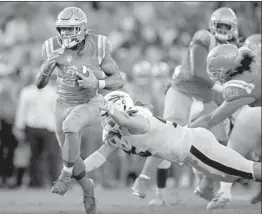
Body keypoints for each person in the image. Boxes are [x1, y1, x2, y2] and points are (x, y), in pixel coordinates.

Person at [132, 7, 239, 205]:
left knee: (221, 141)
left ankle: (206, 185)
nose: (223, 29)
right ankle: (145, 179)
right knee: (167, 137)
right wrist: (222, 89)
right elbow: (198, 72)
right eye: (220, 25)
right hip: (183, 91)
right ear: (213, 25)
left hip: (206, 97)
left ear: (233, 28)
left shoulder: (233, 49)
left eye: (227, 26)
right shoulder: (204, 37)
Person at [83, 91, 261, 197]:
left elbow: (132, 123)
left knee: (248, 170)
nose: (107, 120)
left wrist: (110, 108)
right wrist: (73, 171)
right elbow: (100, 155)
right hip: (190, 154)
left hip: (195, 147)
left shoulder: (138, 118)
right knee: (231, 176)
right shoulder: (120, 131)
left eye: (108, 113)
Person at [36, 7, 123, 214]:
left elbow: (118, 80)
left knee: (71, 125)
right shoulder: (51, 47)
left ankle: (64, 177)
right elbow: (39, 84)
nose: (65, 34)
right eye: (62, 29)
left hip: (90, 101)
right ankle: (87, 187)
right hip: (62, 104)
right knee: (71, 155)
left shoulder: (99, 45)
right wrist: (45, 70)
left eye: (71, 29)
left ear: (83, 29)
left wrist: (98, 83)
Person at [200, 35, 262, 209]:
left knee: (231, 154)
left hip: (252, 118)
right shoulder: (250, 63)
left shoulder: (238, 84)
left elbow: (213, 118)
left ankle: (223, 191)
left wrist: (182, 132)